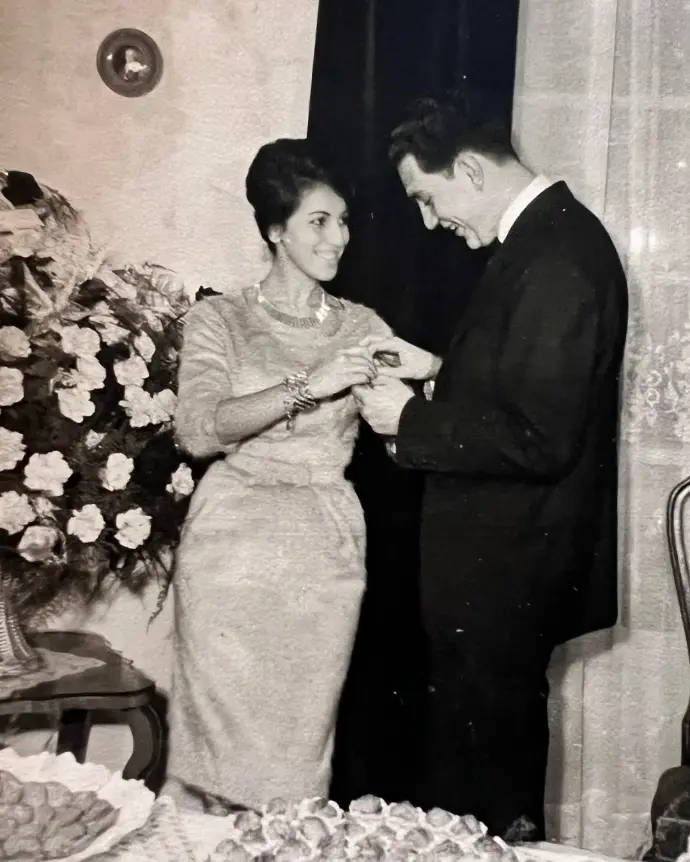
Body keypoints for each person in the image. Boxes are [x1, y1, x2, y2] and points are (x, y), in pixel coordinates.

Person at [355, 92, 629, 840]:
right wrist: (437, 369)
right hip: (498, 575)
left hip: (505, 576)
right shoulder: (545, 241)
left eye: (427, 197)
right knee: (475, 790)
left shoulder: (557, 254)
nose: (428, 222)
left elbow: (540, 436)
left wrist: (409, 419)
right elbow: (530, 389)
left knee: (484, 799)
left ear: (470, 170)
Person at [167, 138, 393, 812]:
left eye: (343, 221)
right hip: (229, 548)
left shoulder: (362, 325)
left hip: (321, 549)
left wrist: (433, 378)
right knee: (213, 768)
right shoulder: (220, 318)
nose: (338, 238)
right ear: (275, 230)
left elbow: (404, 426)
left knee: (295, 759)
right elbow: (198, 430)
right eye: (318, 221)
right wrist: (308, 386)